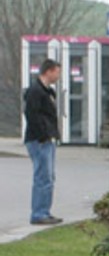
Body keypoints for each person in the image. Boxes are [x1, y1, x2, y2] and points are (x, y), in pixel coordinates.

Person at [22, 59, 63, 225]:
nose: (58, 76)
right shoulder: (35, 91)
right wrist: (42, 135)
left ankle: (45, 210)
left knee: (49, 177)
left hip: (48, 139)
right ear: (49, 71)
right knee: (42, 176)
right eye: (57, 72)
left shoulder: (47, 91)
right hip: (39, 140)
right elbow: (32, 115)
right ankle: (39, 213)